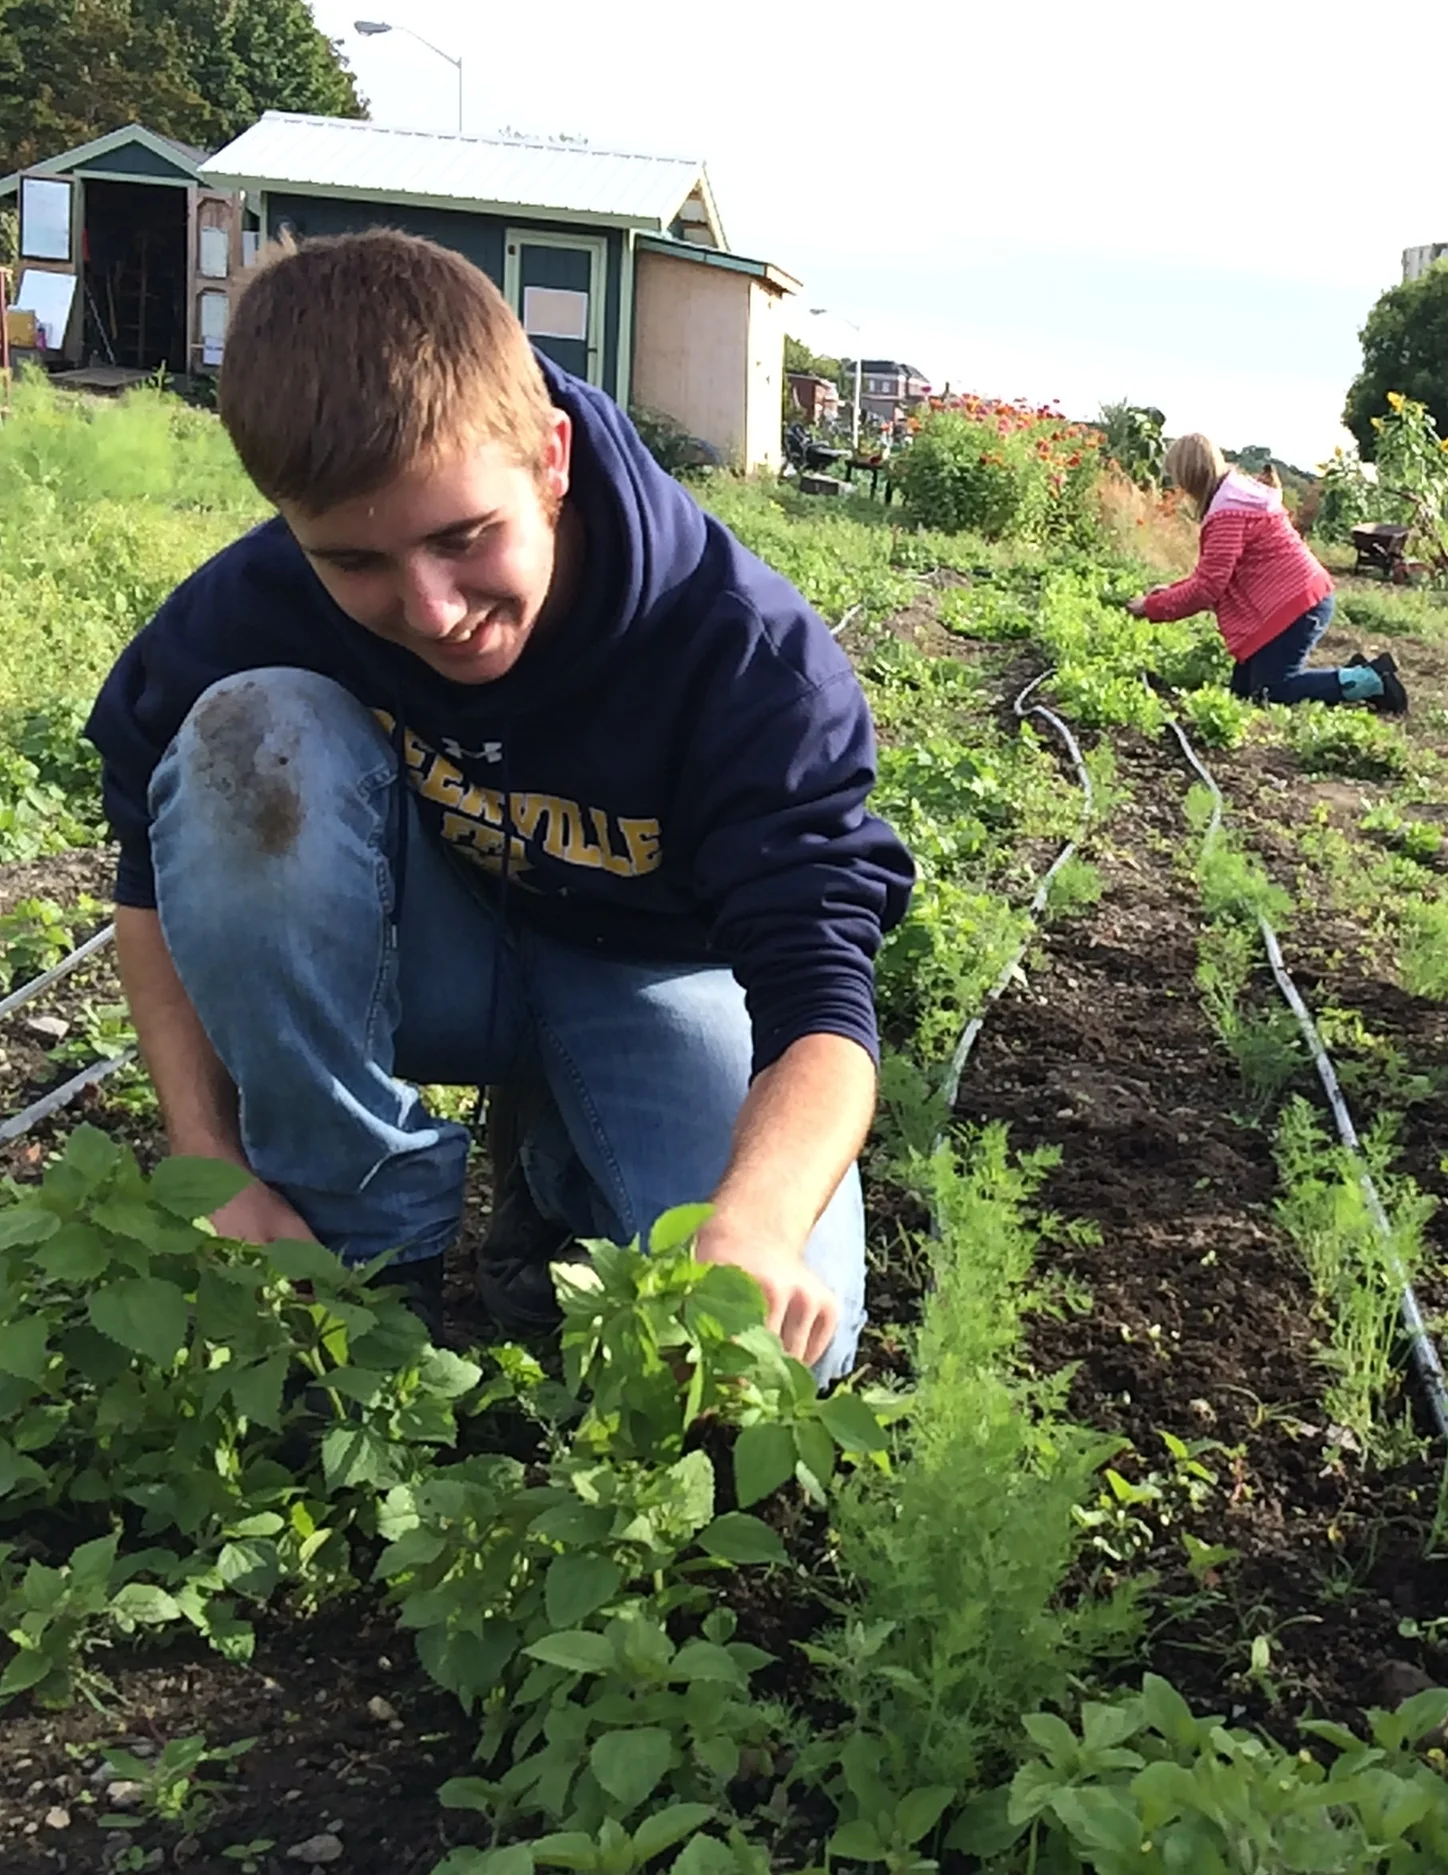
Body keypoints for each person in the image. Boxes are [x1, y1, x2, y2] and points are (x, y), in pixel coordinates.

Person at [83, 230, 916, 1383]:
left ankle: (558, 1171)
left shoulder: (744, 659)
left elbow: (823, 1000)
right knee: (247, 731)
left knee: (772, 1355)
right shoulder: (257, 603)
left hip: (649, 968)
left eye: (462, 538)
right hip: (424, 950)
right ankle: (363, 1258)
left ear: (552, 458)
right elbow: (148, 880)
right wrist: (209, 1160)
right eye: (356, 563)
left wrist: (758, 1220)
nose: (429, 610)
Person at [1128, 433, 1407, 713]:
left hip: (1294, 607)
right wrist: (1171, 593)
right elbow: (1212, 575)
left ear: (1189, 477)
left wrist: (1152, 607)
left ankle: (1371, 680)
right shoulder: (1235, 499)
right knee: (1243, 692)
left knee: (1272, 691)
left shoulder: (1228, 513)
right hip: (1295, 600)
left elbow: (1207, 589)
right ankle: (1350, 676)